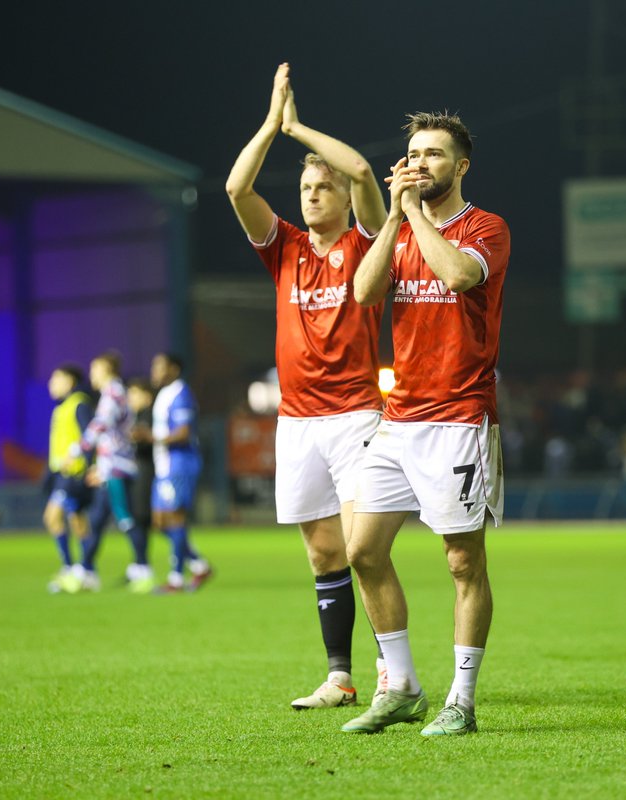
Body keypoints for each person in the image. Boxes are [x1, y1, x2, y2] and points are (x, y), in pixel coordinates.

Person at [225, 63, 388, 710]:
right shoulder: (285, 249)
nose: (313, 195)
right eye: (305, 187)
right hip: (297, 422)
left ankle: (392, 670)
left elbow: (363, 171)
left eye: (324, 187)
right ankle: (340, 677)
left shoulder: (367, 242)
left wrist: (299, 129)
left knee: (362, 550)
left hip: (355, 417)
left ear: (344, 200)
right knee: (324, 556)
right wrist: (270, 126)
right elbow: (237, 187)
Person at [343, 111, 509, 736]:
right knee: (362, 551)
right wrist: (393, 217)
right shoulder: (401, 228)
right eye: (412, 154)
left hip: (460, 418)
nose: (419, 164)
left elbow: (460, 274)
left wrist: (414, 214)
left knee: (463, 562)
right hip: (400, 418)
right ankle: (403, 686)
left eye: (433, 154)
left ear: (461, 166)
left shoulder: (486, 227)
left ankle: (461, 702)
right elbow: (364, 293)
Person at [70, 352, 154, 593]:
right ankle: (86, 571)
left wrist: (78, 449)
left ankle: (143, 569)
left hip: (117, 467)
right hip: (110, 466)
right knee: (97, 520)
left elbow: (101, 424)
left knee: (125, 518)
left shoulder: (113, 393)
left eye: (95, 369)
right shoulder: (116, 392)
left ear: (106, 370)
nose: (92, 374)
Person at [138, 352, 211, 592]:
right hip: (165, 465)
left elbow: (183, 433)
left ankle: (176, 579)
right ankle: (198, 564)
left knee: (175, 518)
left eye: (160, 366)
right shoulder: (164, 394)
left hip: (179, 464)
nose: (154, 370)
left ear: (174, 369)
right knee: (160, 522)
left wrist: (150, 437)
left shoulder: (181, 394)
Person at [43, 363, 94, 594]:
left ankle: (70, 568)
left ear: (70, 381)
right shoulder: (61, 408)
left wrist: (89, 465)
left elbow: (89, 436)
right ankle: (87, 571)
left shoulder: (79, 404)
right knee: (77, 521)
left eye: (56, 378)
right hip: (62, 474)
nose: (51, 384)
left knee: (52, 517)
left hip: (74, 473)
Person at [127, 377, 157, 572]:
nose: (130, 398)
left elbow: (142, 436)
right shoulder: (136, 415)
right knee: (138, 518)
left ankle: (194, 559)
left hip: (146, 470)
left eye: (134, 393)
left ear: (147, 397)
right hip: (138, 470)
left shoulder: (149, 414)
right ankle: (140, 563)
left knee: (143, 517)